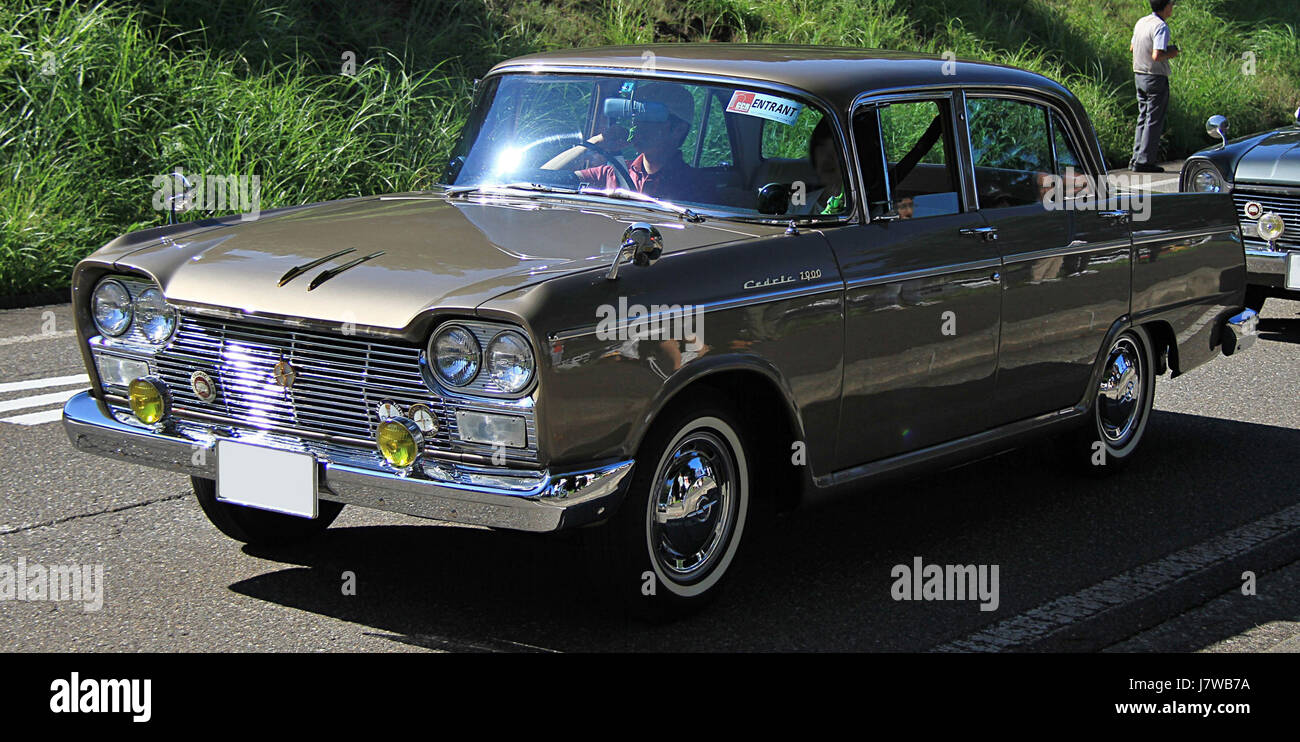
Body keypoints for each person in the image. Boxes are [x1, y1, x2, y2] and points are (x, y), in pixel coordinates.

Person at [544, 82, 705, 202]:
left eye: (649, 117)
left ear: (678, 130)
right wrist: (597, 142)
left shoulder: (695, 185)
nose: (636, 125)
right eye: (635, 116)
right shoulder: (612, 172)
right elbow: (544, 177)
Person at [1130, 0, 1180, 173]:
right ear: (1165, 6)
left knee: (1143, 116)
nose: (1172, 8)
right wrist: (1171, 52)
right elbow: (1157, 55)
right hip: (1155, 76)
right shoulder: (1161, 26)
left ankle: (1136, 158)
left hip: (1139, 74)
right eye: (1171, 4)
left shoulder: (1141, 22)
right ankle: (1145, 161)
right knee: (1154, 119)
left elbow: (1132, 47)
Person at [798, 118, 848, 215]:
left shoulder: (866, 209)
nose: (827, 157)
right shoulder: (798, 205)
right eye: (821, 146)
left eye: (837, 148)